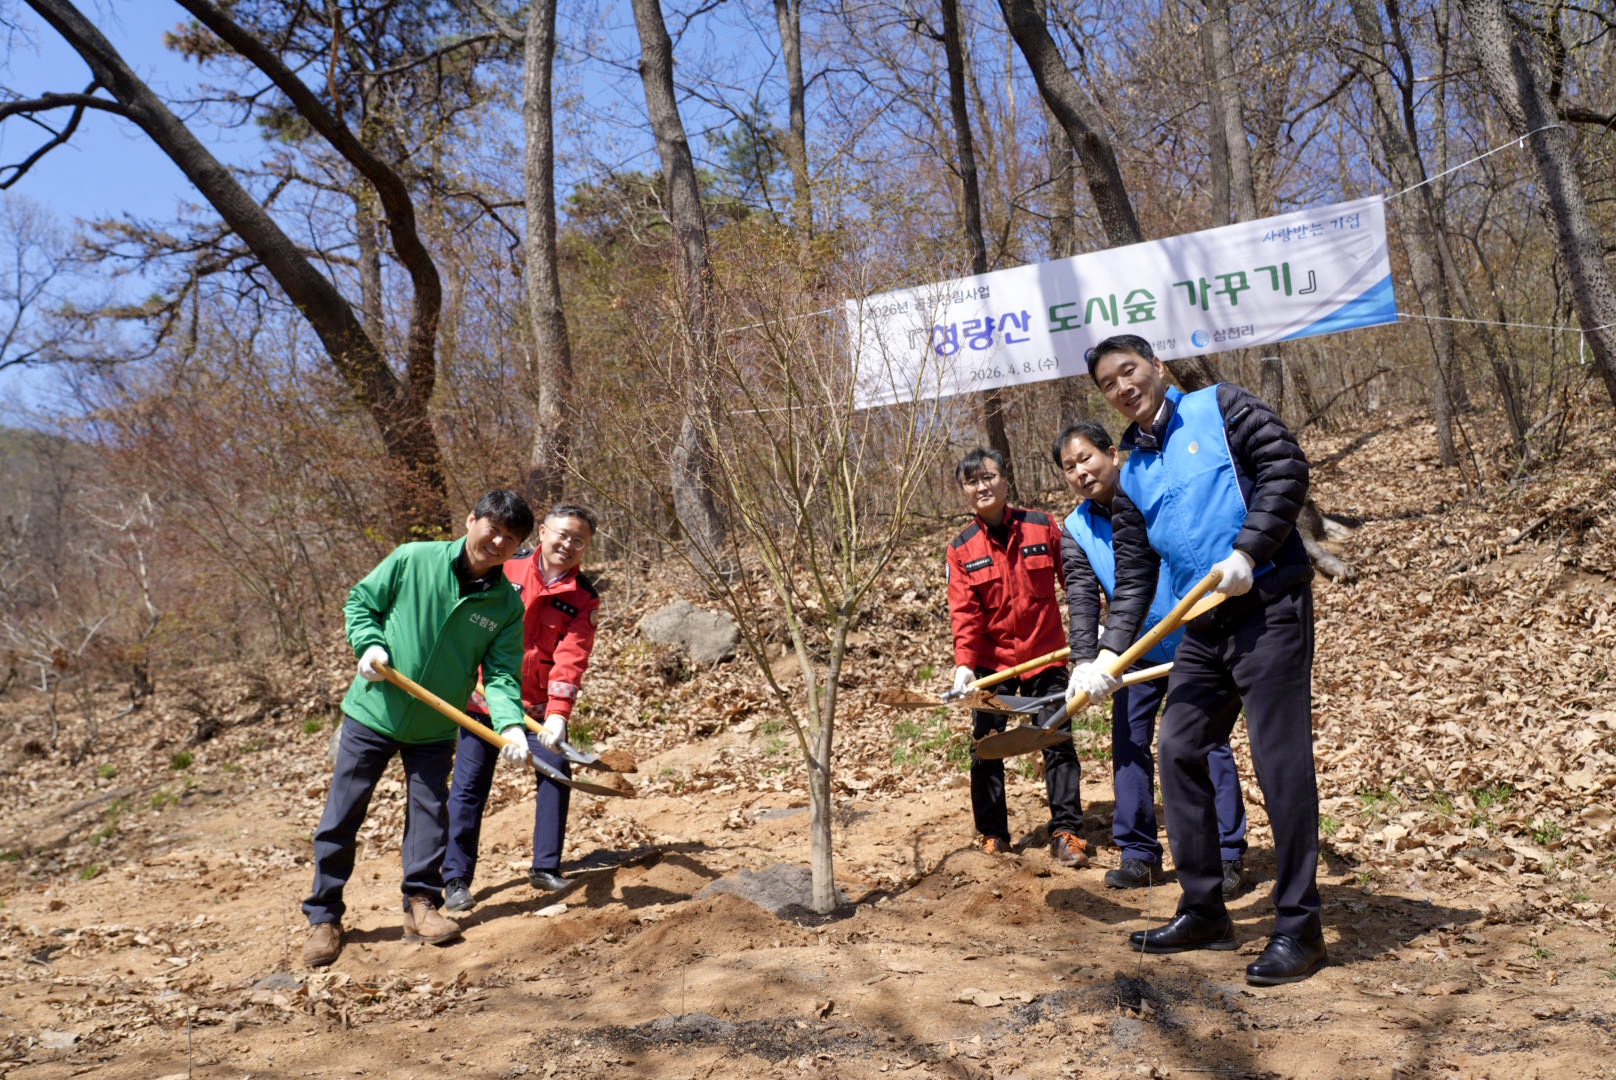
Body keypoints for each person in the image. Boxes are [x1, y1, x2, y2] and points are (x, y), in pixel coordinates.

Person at [1070, 334, 1325, 986]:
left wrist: (1249, 549)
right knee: (1178, 747)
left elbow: (1285, 467)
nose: (1123, 387)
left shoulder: (1223, 407)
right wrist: (1103, 655)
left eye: (1130, 371)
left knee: (1279, 762)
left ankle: (1299, 926)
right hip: (1203, 630)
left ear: (1155, 368)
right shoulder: (1134, 474)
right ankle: (1205, 909)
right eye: (1109, 383)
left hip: (1268, 605)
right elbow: (1132, 577)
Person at [301, 490, 537, 968]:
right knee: (342, 815)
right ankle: (324, 917)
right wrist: (367, 645)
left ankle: (421, 905)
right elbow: (360, 603)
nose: (497, 541)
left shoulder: (505, 605)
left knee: (430, 817)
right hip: (374, 711)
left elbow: (503, 674)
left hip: (435, 723)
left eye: (510, 539)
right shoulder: (414, 559)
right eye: (492, 527)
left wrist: (511, 725)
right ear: (471, 520)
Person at [1053, 420, 1250, 897]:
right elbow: (1081, 597)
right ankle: (1139, 854)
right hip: (1131, 649)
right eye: (1069, 467)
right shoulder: (1075, 528)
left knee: (1208, 744)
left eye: (1087, 458)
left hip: (1193, 639)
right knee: (1129, 745)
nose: (1081, 472)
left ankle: (1226, 853)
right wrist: (1087, 660)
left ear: (1111, 455)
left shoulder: (1152, 493)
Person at [442, 504, 601, 910]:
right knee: (468, 788)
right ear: (544, 532)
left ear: (586, 548)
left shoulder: (582, 597)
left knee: (555, 773)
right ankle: (456, 878)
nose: (567, 544)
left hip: (537, 706)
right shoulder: (505, 569)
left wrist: (558, 714)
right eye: (561, 534)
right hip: (483, 700)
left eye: (578, 540)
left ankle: (545, 867)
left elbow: (572, 656)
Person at [945, 448, 1086, 866]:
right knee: (986, 747)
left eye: (988, 477)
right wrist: (966, 664)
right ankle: (993, 834)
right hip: (993, 664)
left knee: (1056, 739)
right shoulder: (961, 548)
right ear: (965, 493)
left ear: (1005, 480)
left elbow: (1074, 579)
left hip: (1047, 655)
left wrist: (1089, 630)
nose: (981, 486)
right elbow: (964, 613)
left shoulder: (1042, 526)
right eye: (971, 482)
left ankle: (1067, 832)